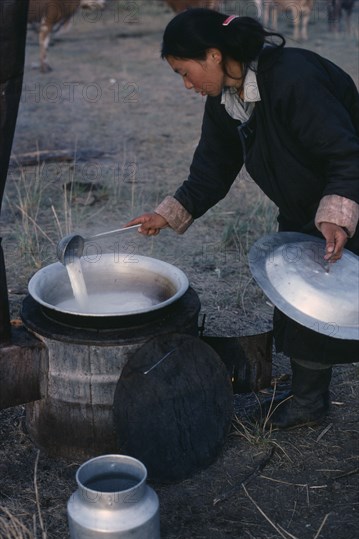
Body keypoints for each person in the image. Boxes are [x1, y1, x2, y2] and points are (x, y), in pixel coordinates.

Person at [126, 8, 359, 429]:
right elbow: (212, 167)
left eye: (185, 71)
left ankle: (309, 399)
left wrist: (336, 216)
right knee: (302, 300)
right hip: (304, 210)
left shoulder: (292, 78)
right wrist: (168, 213)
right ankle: (308, 399)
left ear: (213, 55)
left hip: (348, 199)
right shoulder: (226, 99)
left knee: (343, 301)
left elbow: (344, 153)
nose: (186, 85)